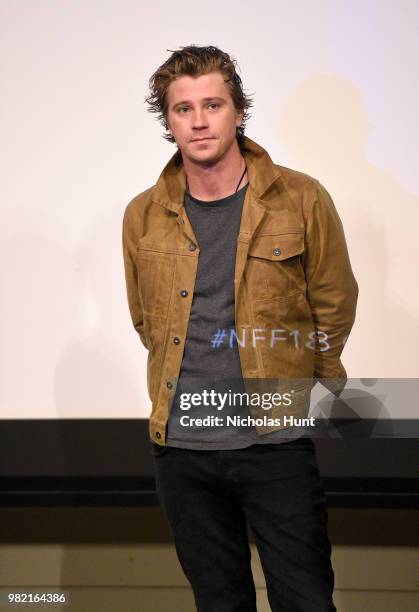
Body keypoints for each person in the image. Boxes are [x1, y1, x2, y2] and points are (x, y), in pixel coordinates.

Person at [122, 44, 358, 612]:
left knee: (305, 599)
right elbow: (145, 318)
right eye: (183, 109)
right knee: (219, 601)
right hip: (182, 449)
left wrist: (313, 383)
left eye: (213, 105)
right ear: (169, 120)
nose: (199, 121)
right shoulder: (144, 214)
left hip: (273, 443)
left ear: (238, 111)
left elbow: (334, 299)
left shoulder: (299, 197)